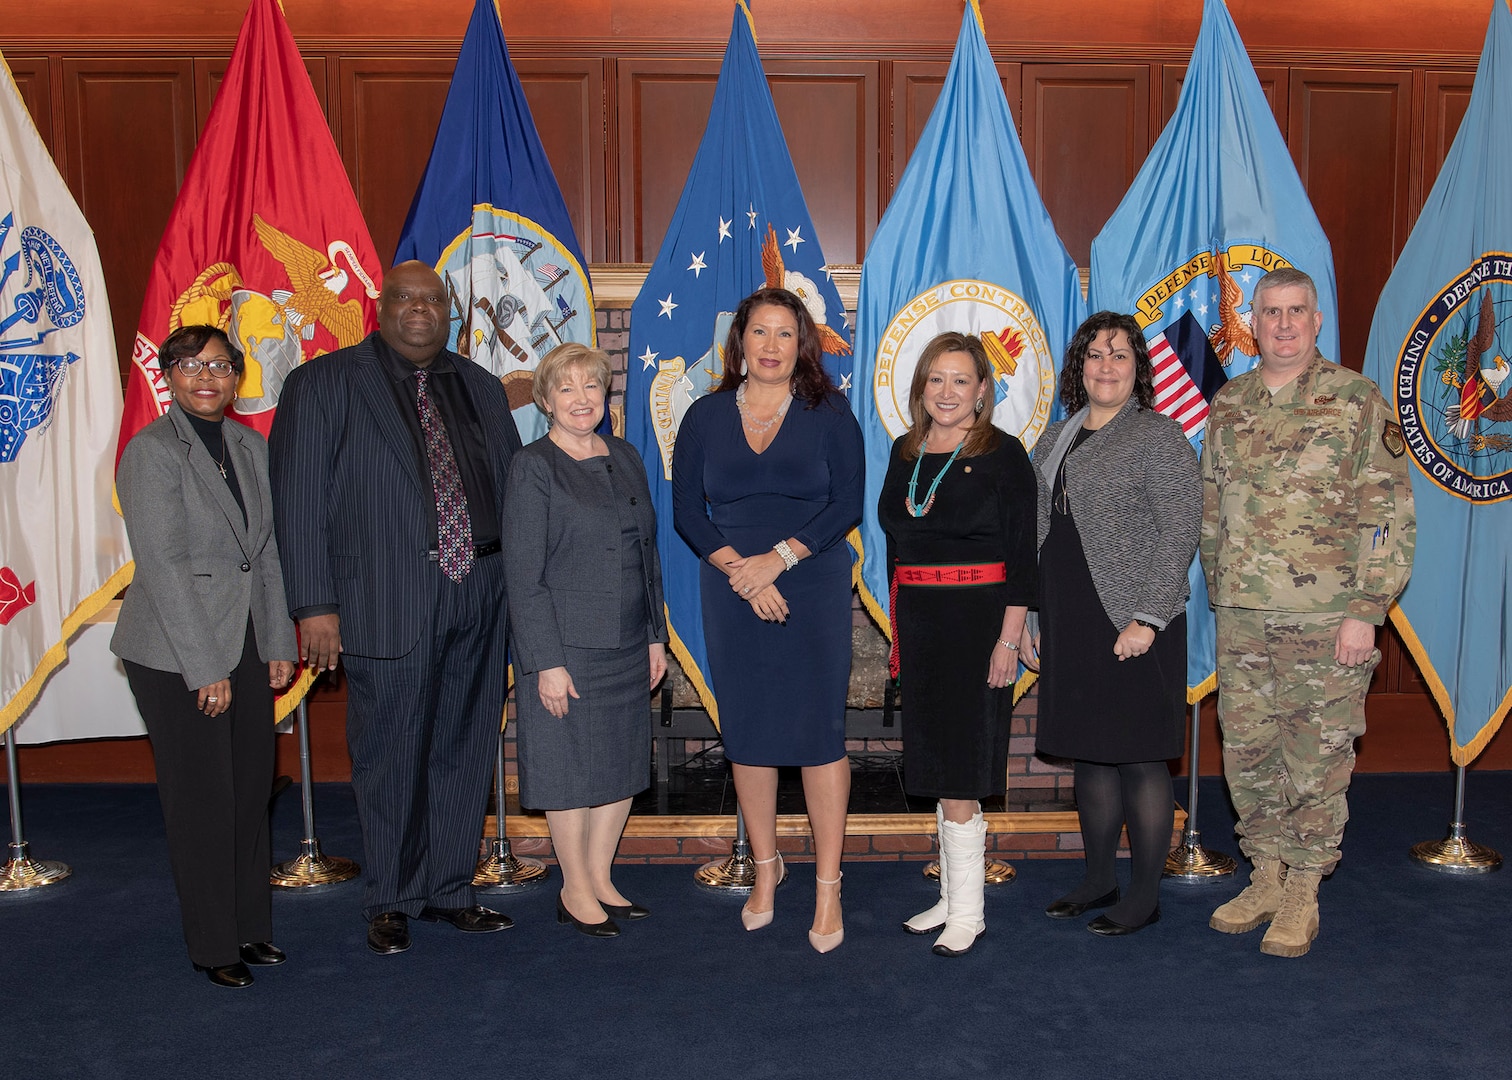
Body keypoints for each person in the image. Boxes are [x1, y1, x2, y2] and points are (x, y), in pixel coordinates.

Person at [269, 261, 522, 955]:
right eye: (406, 298)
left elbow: (512, 493)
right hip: (382, 597)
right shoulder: (322, 383)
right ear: (381, 308)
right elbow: (298, 503)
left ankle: (448, 889)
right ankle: (392, 896)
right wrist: (315, 606)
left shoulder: (479, 387)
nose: (420, 310)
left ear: (450, 312)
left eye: (433, 300)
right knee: (391, 751)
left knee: (465, 746)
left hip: (481, 593)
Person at [1200, 267, 1414, 957]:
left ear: (1317, 321)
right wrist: (1218, 594)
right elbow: (1212, 511)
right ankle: (1264, 871)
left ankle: (1302, 888)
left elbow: (1386, 513)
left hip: (1326, 621)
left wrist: (1366, 608)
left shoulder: (1356, 400)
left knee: (1316, 757)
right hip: (1241, 617)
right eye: (1271, 312)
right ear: (1253, 323)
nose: (1284, 323)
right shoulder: (1229, 404)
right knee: (1249, 752)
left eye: (1297, 311)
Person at [671, 287, 864, 953]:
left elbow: (847, 503)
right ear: (741, 343)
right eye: (761, 333)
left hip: (809, 579)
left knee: (818, 733)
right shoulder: (704, 415)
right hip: (730, 584)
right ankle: (765, 867)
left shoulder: (830, 413)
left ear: (801, 345)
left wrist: (776, 560)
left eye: (786, 334)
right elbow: (687, 512)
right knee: (748, 730)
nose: (773, 346)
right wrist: (741, 571)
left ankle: (829, 886)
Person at [112, 325, 298, 988]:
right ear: (170, 374)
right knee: (202, 799)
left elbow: (266, 553)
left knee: (250, 789)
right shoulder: (152, 452)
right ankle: (214, 943)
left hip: (245, 637)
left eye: (220, 365)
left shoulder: (250, 446)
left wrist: (277, 643)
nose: (207, 377)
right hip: (176, 650)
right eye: (192, 365)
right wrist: (207, 668)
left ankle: (251, 928)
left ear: (237, 376)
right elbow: (162, 567)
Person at [1022, 312, 1200, 936]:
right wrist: (1035, 615)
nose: (1106, 366)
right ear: (1079, 366)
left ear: (1137, 369)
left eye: (1120, 355)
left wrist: (1147, 619)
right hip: (1071, 617)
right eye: (1095, 355)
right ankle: (1099, 878)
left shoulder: (1160, 436)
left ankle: (1145, 895)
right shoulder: (1054, 439)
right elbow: (1041, 532)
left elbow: (1180, 532)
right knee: (1091, 756)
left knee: (1140, 757)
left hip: (1132, 620)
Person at [877, 331, 1037, 957]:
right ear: (920, 388)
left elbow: (1023, 554)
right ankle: (949, 896)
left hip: (980, 624)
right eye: (935, 379)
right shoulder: (903, 450)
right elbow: (897, 543)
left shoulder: (1004, 454)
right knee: (938, 762)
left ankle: (969, 911)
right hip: (920, 622)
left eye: (960, 380)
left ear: (981, 391)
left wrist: (1010, 636)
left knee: (964, 766)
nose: (947, 392)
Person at [503, 343, 668, 938]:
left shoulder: (625, 456)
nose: (581, 400)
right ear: (545, 400)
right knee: (569, 771)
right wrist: (545, 661)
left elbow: (647, 555)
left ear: (606, 396)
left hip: (628, 642)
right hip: (565, 649)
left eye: (591, 388)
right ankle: (573, 887)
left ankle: (600, 876)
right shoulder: (533, 466)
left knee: (621, 766)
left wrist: (656, 637)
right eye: (566, 389)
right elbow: (523, 575)